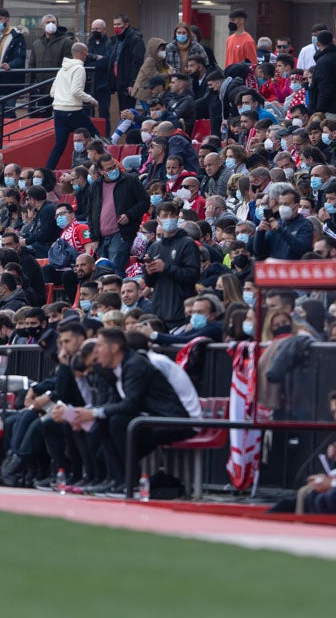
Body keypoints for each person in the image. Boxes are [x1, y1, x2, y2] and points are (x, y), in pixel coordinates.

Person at [63, 328, 193, 494]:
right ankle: (117, 480)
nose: (96, 350)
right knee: (105, 421)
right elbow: (113, 402)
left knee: (117, 421)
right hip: (146, 420)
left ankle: (130, 481)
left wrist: (94, 412)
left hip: (171, 421)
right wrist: (88, 413)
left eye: (100, 345)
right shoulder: (112, 368)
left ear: (115, 347)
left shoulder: (136, 364)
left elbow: (131, 404)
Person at [85, 154, 146, 276]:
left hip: (121, 234)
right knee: (102, 274)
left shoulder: (130, 180)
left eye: (114, 166)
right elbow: (91, 214)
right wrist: (94, 237)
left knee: (116, 272)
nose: (113, 170)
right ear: (101, 171)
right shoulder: (95, 186)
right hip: (101, 238)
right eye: (109, 169)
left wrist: (129, 215)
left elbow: (144, 201)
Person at [143, 201, 200, 329]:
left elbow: (193, 275)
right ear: (158, 220)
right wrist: (149, 272)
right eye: (164, 216)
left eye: (172, 215)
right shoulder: (154, 247)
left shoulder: (187, 244)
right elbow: (150, 282)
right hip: (159, 311)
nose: (169, 219)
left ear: (176, 217)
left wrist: (166, 268)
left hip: (180, 311)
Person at [46, 43, 99, 169]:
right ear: (80, 53)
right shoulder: (79, 69)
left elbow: (52, 92)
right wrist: (92, 100)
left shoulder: (62, 70)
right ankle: (101, 165)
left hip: (58, 111)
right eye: (86, 52)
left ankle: (46, 173)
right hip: (73, 110)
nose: (87, 55)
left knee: (59, 146)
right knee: (95, 136)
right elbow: (76, 91)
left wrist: (62, 96)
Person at [306, 30, 336, 120]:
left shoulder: (323, 62)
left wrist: (319, 110)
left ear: (318, 44)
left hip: (328, 109)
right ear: (332, 41)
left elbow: (324, 87)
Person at [108, 13, 145, 113]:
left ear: (126, 24)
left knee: (128, 112)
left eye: (119, 24)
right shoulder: (117, 40)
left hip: (128, 83)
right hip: (119, 81)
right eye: (114, 24)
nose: (116, 27)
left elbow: (136, 63)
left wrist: (132, 83)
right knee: (123, 111)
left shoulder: (135, 40)